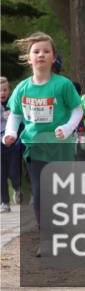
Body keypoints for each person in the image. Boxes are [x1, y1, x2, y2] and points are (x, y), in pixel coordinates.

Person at [3, 33, 82, 235]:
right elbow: (15, 115)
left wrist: (67, 128)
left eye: (46, 51)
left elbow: (77, 110)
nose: (41, 55)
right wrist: (10, 133)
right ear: (29, 58)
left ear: (53, 58)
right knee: (39, 194)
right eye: (36, 51)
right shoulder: (22, 88)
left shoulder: (63, 85)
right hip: (34, 147)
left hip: (61, 147)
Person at [0, 76, 25, 213]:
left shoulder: (14, 103)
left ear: (9, 90)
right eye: (0, 91)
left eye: (5, 90)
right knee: (1, 175)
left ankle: (17, 188)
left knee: (14, 172)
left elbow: (22, 121)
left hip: (13, 143)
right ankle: (4, 202)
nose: (2, 93)